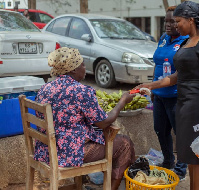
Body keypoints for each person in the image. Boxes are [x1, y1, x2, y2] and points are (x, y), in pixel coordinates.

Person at [135, 1, 199, 189]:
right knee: (190, 152)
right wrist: (151, 85)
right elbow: (176, 76)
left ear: (191, 20)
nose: (176, 25)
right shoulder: (186, 41)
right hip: (184, 103)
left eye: (179, 21)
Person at [34, 47, 136, 190]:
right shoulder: (81, 91)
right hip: (68, 153)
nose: (84, 67)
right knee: (124, 143)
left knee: (114, 143)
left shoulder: (45, 88)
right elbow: (103, 123)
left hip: (45, 150)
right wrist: (122, 102)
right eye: (82, 64)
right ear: (73, 69)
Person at [151, 5, 188, 180]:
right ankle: (168, 161)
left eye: (172, 21)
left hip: (176, 96)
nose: (168, 24)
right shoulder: (164, 38)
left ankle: (181, 168)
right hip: (159, 95)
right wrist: (152, 86)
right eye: (166, 20)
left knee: (179, 132)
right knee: (160, 129)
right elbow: (157, 64)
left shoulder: (186, 41)